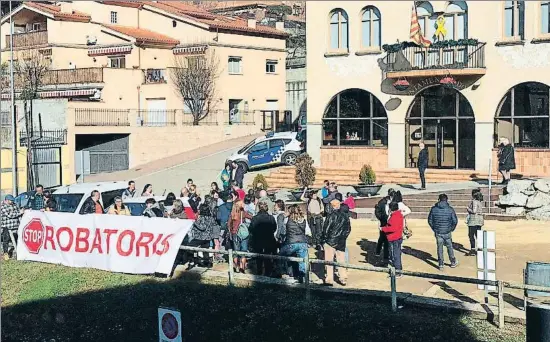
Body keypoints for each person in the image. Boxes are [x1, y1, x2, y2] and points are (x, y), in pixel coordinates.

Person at [320, 199, 351, 286]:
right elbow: (348, 229)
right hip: (341, 241)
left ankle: (329, 279)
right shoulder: (345, 216)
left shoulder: (331, 216)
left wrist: (323, 240)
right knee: (341, 260)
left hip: (331, 241)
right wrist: (343, 237)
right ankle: (343, 278)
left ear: (332, 206)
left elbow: (326, 229)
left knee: (329, 261)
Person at [428, 194, 459, 270]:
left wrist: (434, 228)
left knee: (439, 247)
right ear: (446, 200)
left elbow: (430, 221)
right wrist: (451, 228)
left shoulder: (433, 209)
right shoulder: (450, 209)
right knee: (450, 247)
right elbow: (455, 221)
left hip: (438, 231)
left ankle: (441, 263)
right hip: (447, 231)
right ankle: (452, 261)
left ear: (439, 199)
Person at [279, 204, 308, 282]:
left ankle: (283, 272)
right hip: (303, 242)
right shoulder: (303, 219)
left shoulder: (287, 220)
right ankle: (302, 277)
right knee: (302, 260)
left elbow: (283, 231)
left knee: (281, 254)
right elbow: (307, 232)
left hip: (291, 243)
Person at [184, 204, 220, 268]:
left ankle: (193, 261)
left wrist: (194, 221)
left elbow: (202, 227)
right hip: (208, 237)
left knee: (189, 248)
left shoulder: (202, 217)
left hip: (200, 237)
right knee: (205, 250)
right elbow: (214, 225)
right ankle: (207, 264)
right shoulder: (211, 218)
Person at [249, 201, 278, 276]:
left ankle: (259, 272)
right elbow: (274, 228)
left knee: (259, 257)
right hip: (269, 239)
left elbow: (251, 229)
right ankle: (267, 273)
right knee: (267, 257)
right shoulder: (271, 218)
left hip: (258, 240)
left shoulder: (255, 218)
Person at [228, 200, 252, 273]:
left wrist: (231, 231)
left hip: (234, 234)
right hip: (243, 234)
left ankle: (235, 267)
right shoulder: (243, 213)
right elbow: (251, 217)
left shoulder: (232, 214)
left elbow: (229, 224)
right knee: (243, 251)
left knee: (235, 251)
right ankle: (242, 267)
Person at [382, 202, 404, 276]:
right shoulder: (398, 214)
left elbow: (393, 228)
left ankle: (398, 271)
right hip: (396, 237)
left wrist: (383, 229)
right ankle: (398, 269)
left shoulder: (395, 216)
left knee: (396, 255)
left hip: (394, 238)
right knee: (396, 254)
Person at [1, 195, 24, 259]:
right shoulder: (2, 206)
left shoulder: (14, 204)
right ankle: (6, 253)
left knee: (17, 238)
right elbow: (10, 215)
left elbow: (18, 211)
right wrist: (19, 213)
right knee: (6, 240)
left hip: (16, 225)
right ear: (7, 200)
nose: (12, 201)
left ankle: (18, 252)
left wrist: (19, 212)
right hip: (7, 226)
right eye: (11, 200)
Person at [375, 188, 395, 259]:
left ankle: (388, 255)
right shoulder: (382, 202)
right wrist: (381, 218)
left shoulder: (395, 202)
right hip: (383, 222)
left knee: (388, 239)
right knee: (382, 238)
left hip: (391, 222)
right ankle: (378, 251)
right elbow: (377, 211)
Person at [466, 189, 484, 256]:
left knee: (471, 235)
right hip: (479, 220)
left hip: (473, 220)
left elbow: (474, 211)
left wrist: (468, 209)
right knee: (478, 234)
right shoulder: (479, 202)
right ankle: (480, 248)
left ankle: (473, 249)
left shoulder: (474, 201)